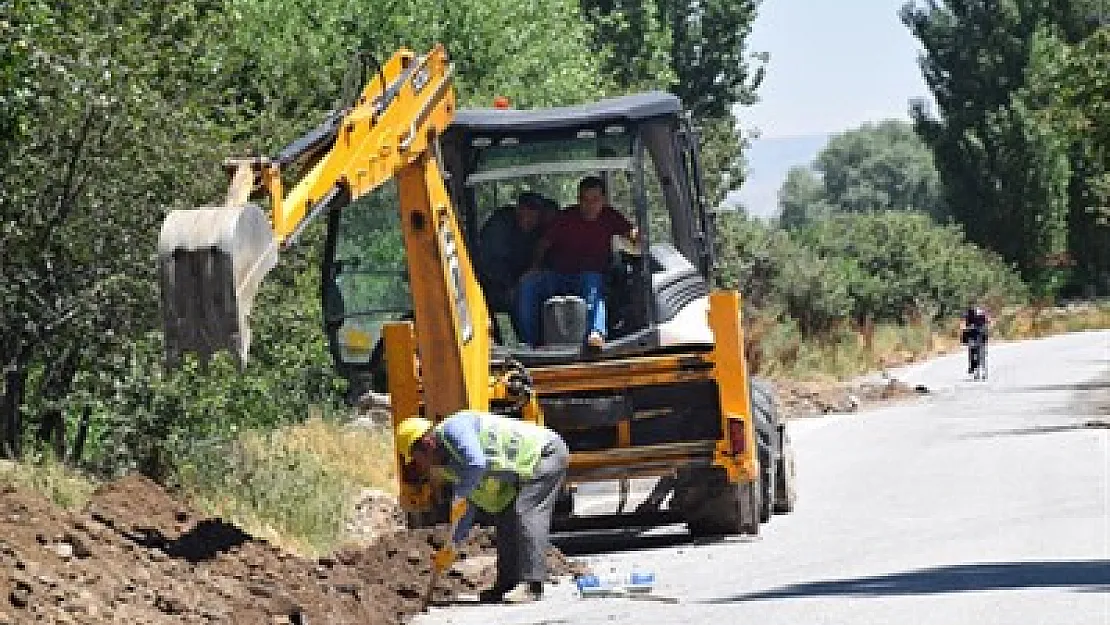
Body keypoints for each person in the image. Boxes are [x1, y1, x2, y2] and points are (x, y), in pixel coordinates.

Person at [395, 411, 569, 604]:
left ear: (426, 443)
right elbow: (466, 506)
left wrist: (460, 494)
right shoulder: (449, 466)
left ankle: (532, 584)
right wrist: (453, 544)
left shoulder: (455, 428)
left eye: (416, 458)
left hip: (545, 452)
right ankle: (507, 583)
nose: (419, 465)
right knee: (505, 515)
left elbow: (476, 463)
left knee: (527, 510)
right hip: (523, 470)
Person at [514, 176, 637, 349]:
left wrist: (636, 236)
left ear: (603, 200)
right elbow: (543, 244)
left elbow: (632, 233)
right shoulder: (566, 217)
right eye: (584, 200)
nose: (590, 206)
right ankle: (529, 342)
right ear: (578, 200)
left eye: (595, 200)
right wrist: (535, 267)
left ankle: (596, 333)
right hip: (558, 276)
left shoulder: (610, 216)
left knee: (593, 283)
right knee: (528, 284)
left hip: (590, 277)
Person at [960, 305, 990, 377]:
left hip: (979, 337)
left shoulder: (977, 315)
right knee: (975, 353)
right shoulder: (971, 315)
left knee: (979, 354)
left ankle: (980, 370)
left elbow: (987, 323)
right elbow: (965, 328)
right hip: (976, 336)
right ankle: (977, 369)